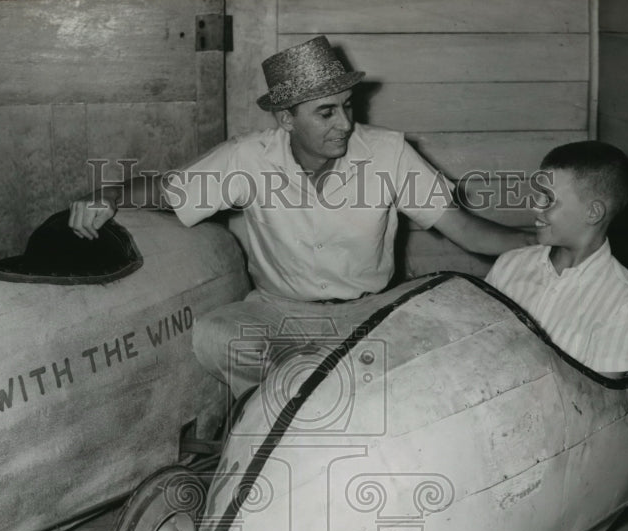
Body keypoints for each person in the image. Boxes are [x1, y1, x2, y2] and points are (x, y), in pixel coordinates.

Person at [68, 35, 534, 397]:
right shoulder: (248, 158)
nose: (346, 124)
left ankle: (311, 401)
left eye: (348, 107)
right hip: (279, 314)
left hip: (368, 311)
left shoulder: (389, 153)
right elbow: (170, 190)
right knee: (216, 336)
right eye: (326, 113)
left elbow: (466, 230)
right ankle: (283, 412)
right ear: (287, 120)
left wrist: (543, 243)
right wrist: (108, 196)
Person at [484, 140, 628, 378]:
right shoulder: (509, 266)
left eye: (548, 199)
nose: (535, 206)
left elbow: (601, 407)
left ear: (593, 213)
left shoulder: (626, 304)